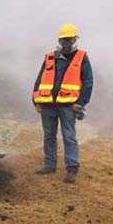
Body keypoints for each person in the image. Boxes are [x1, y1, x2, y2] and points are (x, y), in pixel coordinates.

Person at [32, 23, 94, 183]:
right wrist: (35, 101)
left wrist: (80, 103)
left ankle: (72, 168)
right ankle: (49, 165)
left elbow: (88, 82)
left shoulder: (81, 57)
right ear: (60, 40)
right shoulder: (50, 57)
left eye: (69, 38)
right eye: (63, 39)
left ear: (74, 39)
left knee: (69, 136)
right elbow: (39, 80)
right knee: (49, 136)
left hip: (68, 106)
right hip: (47, 105)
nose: (66, 41)